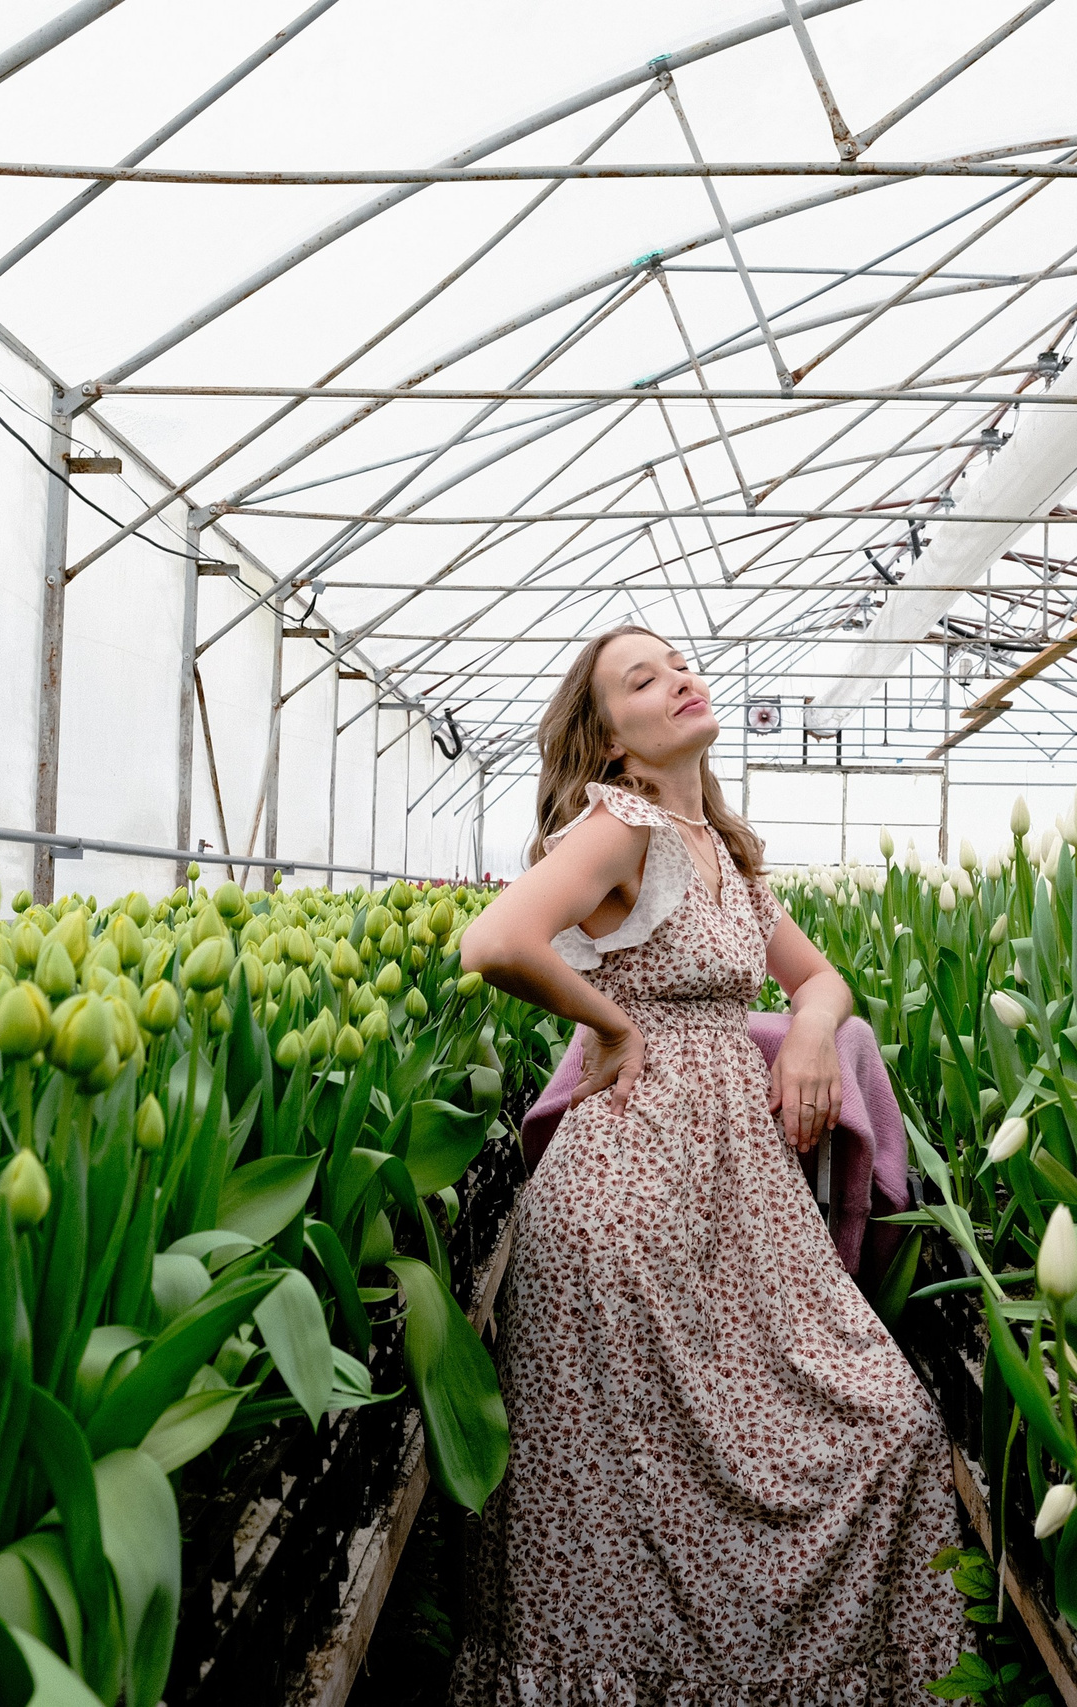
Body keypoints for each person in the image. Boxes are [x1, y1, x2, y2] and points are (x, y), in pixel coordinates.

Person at [448, 625, 971, 1703]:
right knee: (626, 1485)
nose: (678, 679)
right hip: (626, 1192)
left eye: (679, 664)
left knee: (881, 1416)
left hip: (731, 1190)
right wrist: (615, 1023)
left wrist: (816, 1030)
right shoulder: (620, 824)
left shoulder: (721, 854)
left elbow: (821, 982)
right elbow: (496, 941)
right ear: (612, 742)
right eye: (642, 680)